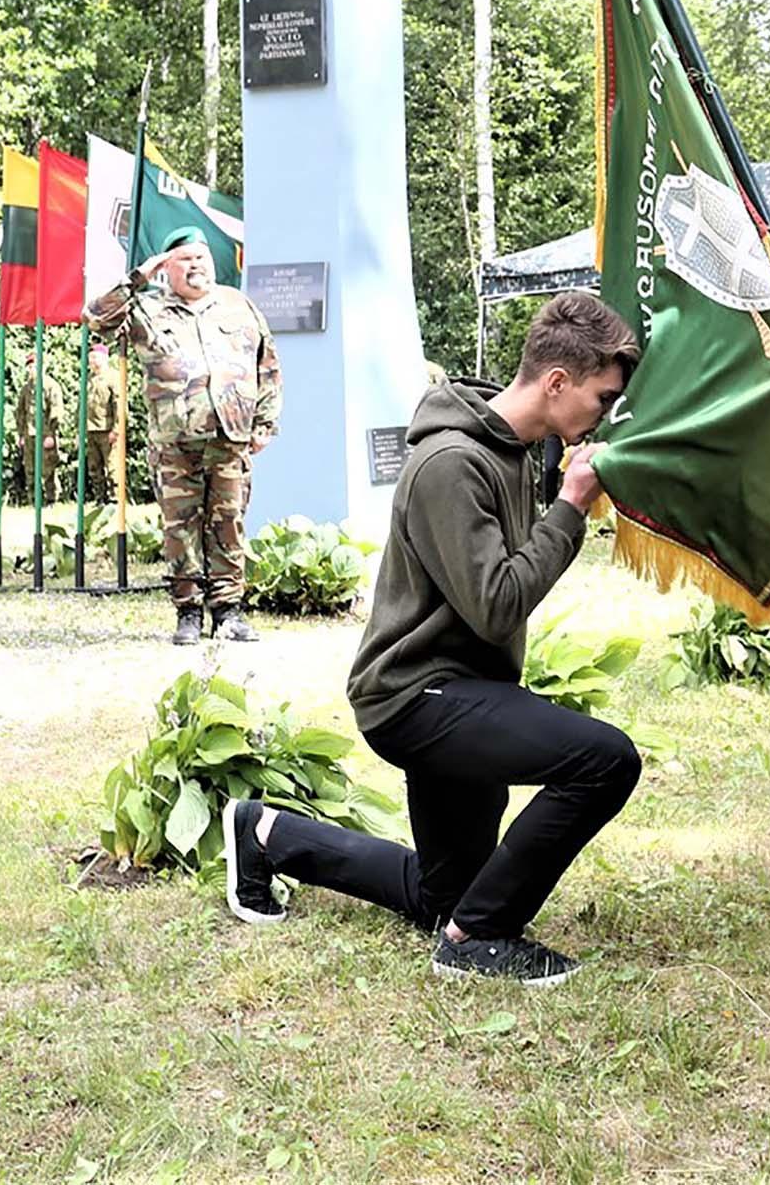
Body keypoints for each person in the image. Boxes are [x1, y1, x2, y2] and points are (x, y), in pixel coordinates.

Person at [220, 291, 644, 988]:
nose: (604, 414)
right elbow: (497, 605)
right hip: (416, 698)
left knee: (441, 895)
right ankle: (478, 939)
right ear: (557, 383)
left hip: (463, 688)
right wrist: (570, 507)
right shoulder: (452, 462)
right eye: (602, 398)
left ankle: (266, 834)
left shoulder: (510, 450)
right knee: (606, 762)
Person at [84, 226, 281, 645]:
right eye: (185, 260)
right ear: (166, 268)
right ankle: (188, 612)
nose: (196, 267)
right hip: (174, 442)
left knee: (228, 523)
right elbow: (95, 317)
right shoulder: (147, 309)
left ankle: (228, 612)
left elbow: (267, 364)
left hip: (230, 437)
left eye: (201, 258)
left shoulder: (238, 304)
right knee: (180, 526)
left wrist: (264, 423)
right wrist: (140, 275)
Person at [15, 349, 67, 505]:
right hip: (29, 433)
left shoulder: (51, 386)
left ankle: (51, 499)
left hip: (45, 434)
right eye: (29, 367)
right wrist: (21, 434)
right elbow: (21, 412)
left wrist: (52, 434)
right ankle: (34, 499)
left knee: (48, 468)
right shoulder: (26, 389)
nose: (31, 370)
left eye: (34, 366)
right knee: (30, 469)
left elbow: (57, 410)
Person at [84, 342, 121, 504]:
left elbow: (119, 404)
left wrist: (117, 429)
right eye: (90, 357)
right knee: (94, 467)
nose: (92, 361)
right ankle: (100, 498)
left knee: (112, 466)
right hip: (91, 429)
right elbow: (83, 406)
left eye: (95, 357)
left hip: (108, 430)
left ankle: (115, 499)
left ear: (105, 358)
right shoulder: (89, 379)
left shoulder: (114, 377)